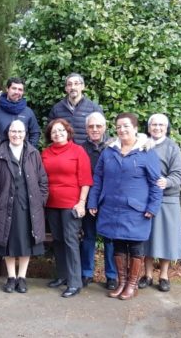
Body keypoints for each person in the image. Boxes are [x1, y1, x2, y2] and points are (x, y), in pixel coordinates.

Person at [87, 113, 162, 301]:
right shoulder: (109, 151)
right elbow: (98, 178)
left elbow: (156, 183)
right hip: (111, 207)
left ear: (135, 128)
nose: (122, 130)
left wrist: (152, 207)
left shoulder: (146, 152)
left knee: (135, 246)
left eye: (126, 126)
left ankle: (132, 285)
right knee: (118, 245)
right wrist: (93, 201)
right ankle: (121, 283)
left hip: (137, 210)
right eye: (119, 127)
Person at [0, 119, 49, 294]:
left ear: (25, 134)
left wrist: (40, 200)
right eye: (13, 131)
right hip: (6, 207)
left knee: (26, 243)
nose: (16, 135)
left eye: (20, 132)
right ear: (8, 133)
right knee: (8, 243)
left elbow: (43, 180)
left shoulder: (33, 153)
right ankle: (11, 277)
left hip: (29, 207)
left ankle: (22, 277)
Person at [41, 118, 92, 298]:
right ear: (50, 135)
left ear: (68, 132)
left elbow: (85, 180)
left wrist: (82, 202)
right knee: (58, 241)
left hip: (71, 204)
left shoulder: (78, 151)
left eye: (61, 130)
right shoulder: (45, 153)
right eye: (54, 131)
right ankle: (62, 276)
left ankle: (75, 282)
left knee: (71, 242)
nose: (58, 134)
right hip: (51, 204)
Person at [139, 113, 181, 292]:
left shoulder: (172, 147)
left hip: (167, 199)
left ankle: (164, 276)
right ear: (148, 127)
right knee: (148, 238)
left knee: (167, 238)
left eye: (161, 125)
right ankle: (147, 275)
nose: (157, 128)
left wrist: (167, 181)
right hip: (146, 198)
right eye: (154, 125)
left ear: (166, 128)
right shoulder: (142, 145)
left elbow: (178, 174)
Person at [79, 112, 118, 290]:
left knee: (110, 239)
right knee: (88, 237)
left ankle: (112, 276)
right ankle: (86, 273)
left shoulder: (114, 147)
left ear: (105, 127)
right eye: (91, 126)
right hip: (88, 200)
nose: (95, 129)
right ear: (86, 129)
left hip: (109, 201)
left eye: (98, 126)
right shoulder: (80, 149)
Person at [48, 73, 104, 144]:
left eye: (76, 84)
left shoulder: (94, 108)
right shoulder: (57, 109)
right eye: (69, 84)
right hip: (64, 149)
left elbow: (102, 132)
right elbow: (50, 132)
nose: (73, 87)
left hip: (87, 149)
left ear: (82, 86)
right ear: (66, 88)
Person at [0, 77, 40, 146]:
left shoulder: (28, 112)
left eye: (20, 89)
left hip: (22, 152)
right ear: (7, 89)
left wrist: (29, 150)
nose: (17, 92)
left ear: (23, 92)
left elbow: (35, 133)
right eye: (14, 88)